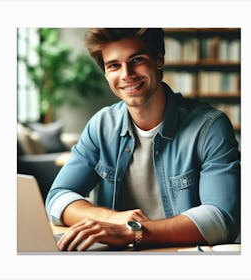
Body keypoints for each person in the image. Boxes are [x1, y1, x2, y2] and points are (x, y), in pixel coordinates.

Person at [45, 28, 240, 251]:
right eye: (114, 65)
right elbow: (58, 197)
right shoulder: (101, 125)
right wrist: (113, 219)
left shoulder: (209, 127)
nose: (127, 74)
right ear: (106, 74)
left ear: (159, 60)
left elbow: (221, 218)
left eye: (137, 60)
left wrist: (134, 232)